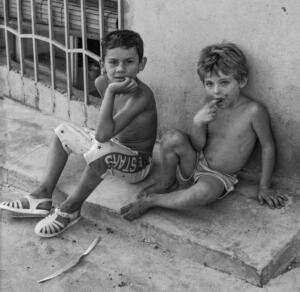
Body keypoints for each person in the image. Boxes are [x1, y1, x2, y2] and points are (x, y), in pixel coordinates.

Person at [0, 29, 157, 237]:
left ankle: (70, 209)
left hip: (137, 164)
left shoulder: (141, 96)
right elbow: (106, 124)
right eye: (113, 62)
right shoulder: (102, 82)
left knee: (101, 150)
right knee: (62, 131)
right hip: (115, 146)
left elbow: (102, 136)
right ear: (102, 64)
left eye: (129, 62)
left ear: (142, 64)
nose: (120, 69)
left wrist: (111, 92)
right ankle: (42, 195)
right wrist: (109, 92)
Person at [120, 42, 288, 221]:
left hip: (217, 176)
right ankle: (168, 181)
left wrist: (264, 187)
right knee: (170, 137)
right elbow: (197, 145)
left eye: (224, 82)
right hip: (195, 161)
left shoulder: (253, 111)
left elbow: (268, 146)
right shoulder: (209, 103)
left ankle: (154, 201)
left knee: (201, 194)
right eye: (209, 83)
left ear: (241, 81)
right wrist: (198, 123)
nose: (216, 91)